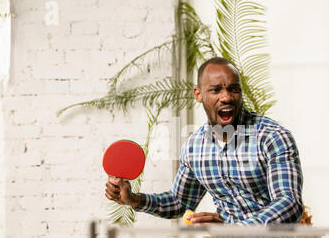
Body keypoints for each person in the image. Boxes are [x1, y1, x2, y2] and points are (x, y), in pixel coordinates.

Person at [105, 57, 304, 225]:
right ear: (198, 95)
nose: (226, 97)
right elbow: (179, 202)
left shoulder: (272, 137)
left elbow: (289, 203)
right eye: (216, 90)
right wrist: (134, 199)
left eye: (234, 89)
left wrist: (238, 230)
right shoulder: (194, 148)